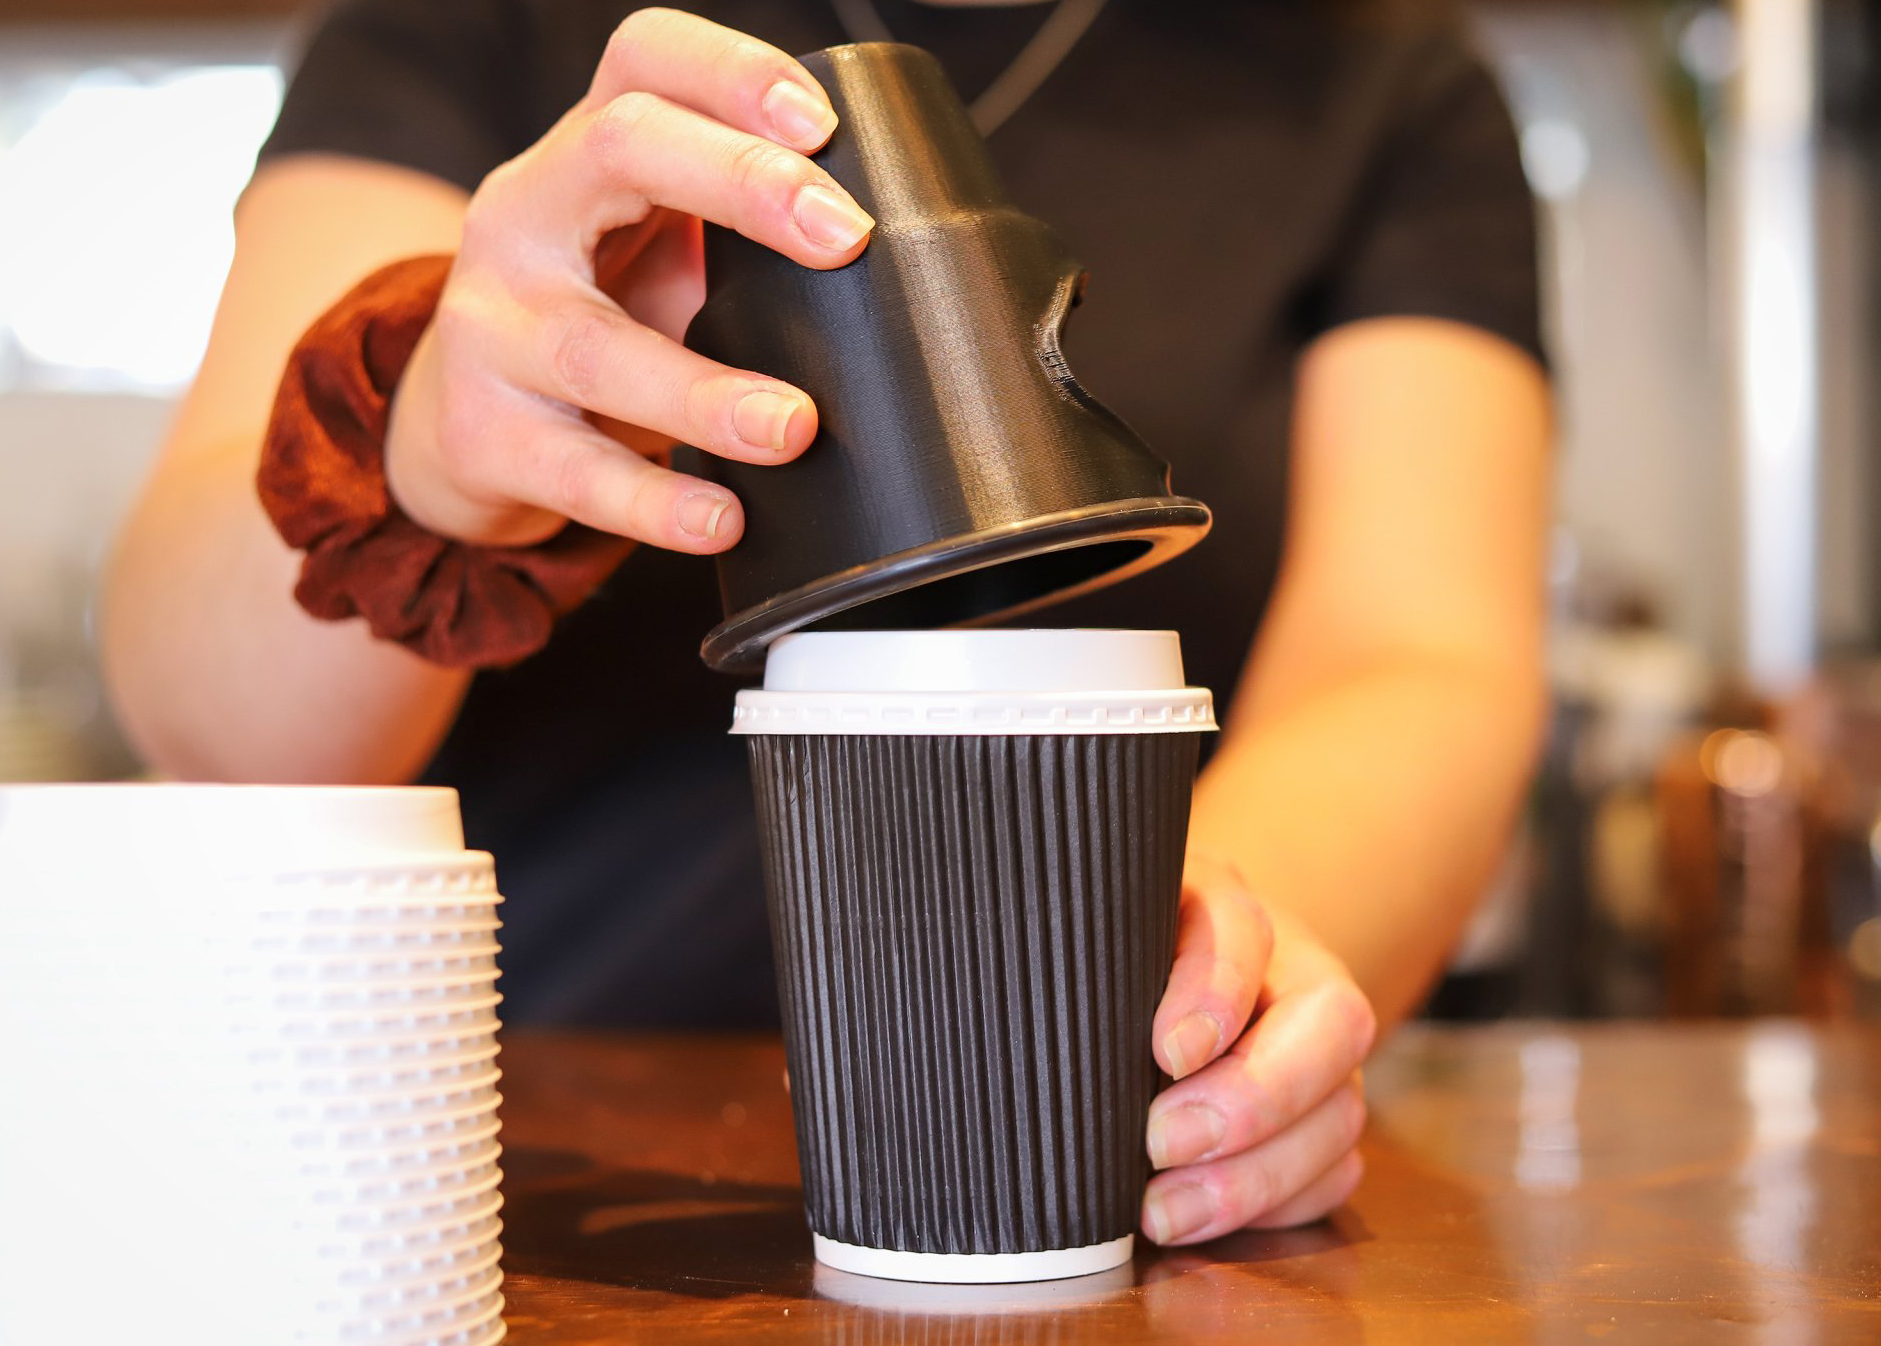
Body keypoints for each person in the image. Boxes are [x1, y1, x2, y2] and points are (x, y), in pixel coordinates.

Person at [102, 0, 1551, 1247]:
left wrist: (1192, 985)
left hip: (1105, 1183)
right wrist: (429, 444)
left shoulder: (1377, 71)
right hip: (505, 1175)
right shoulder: (481, 20)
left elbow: (1414, 656)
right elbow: (208, 703)